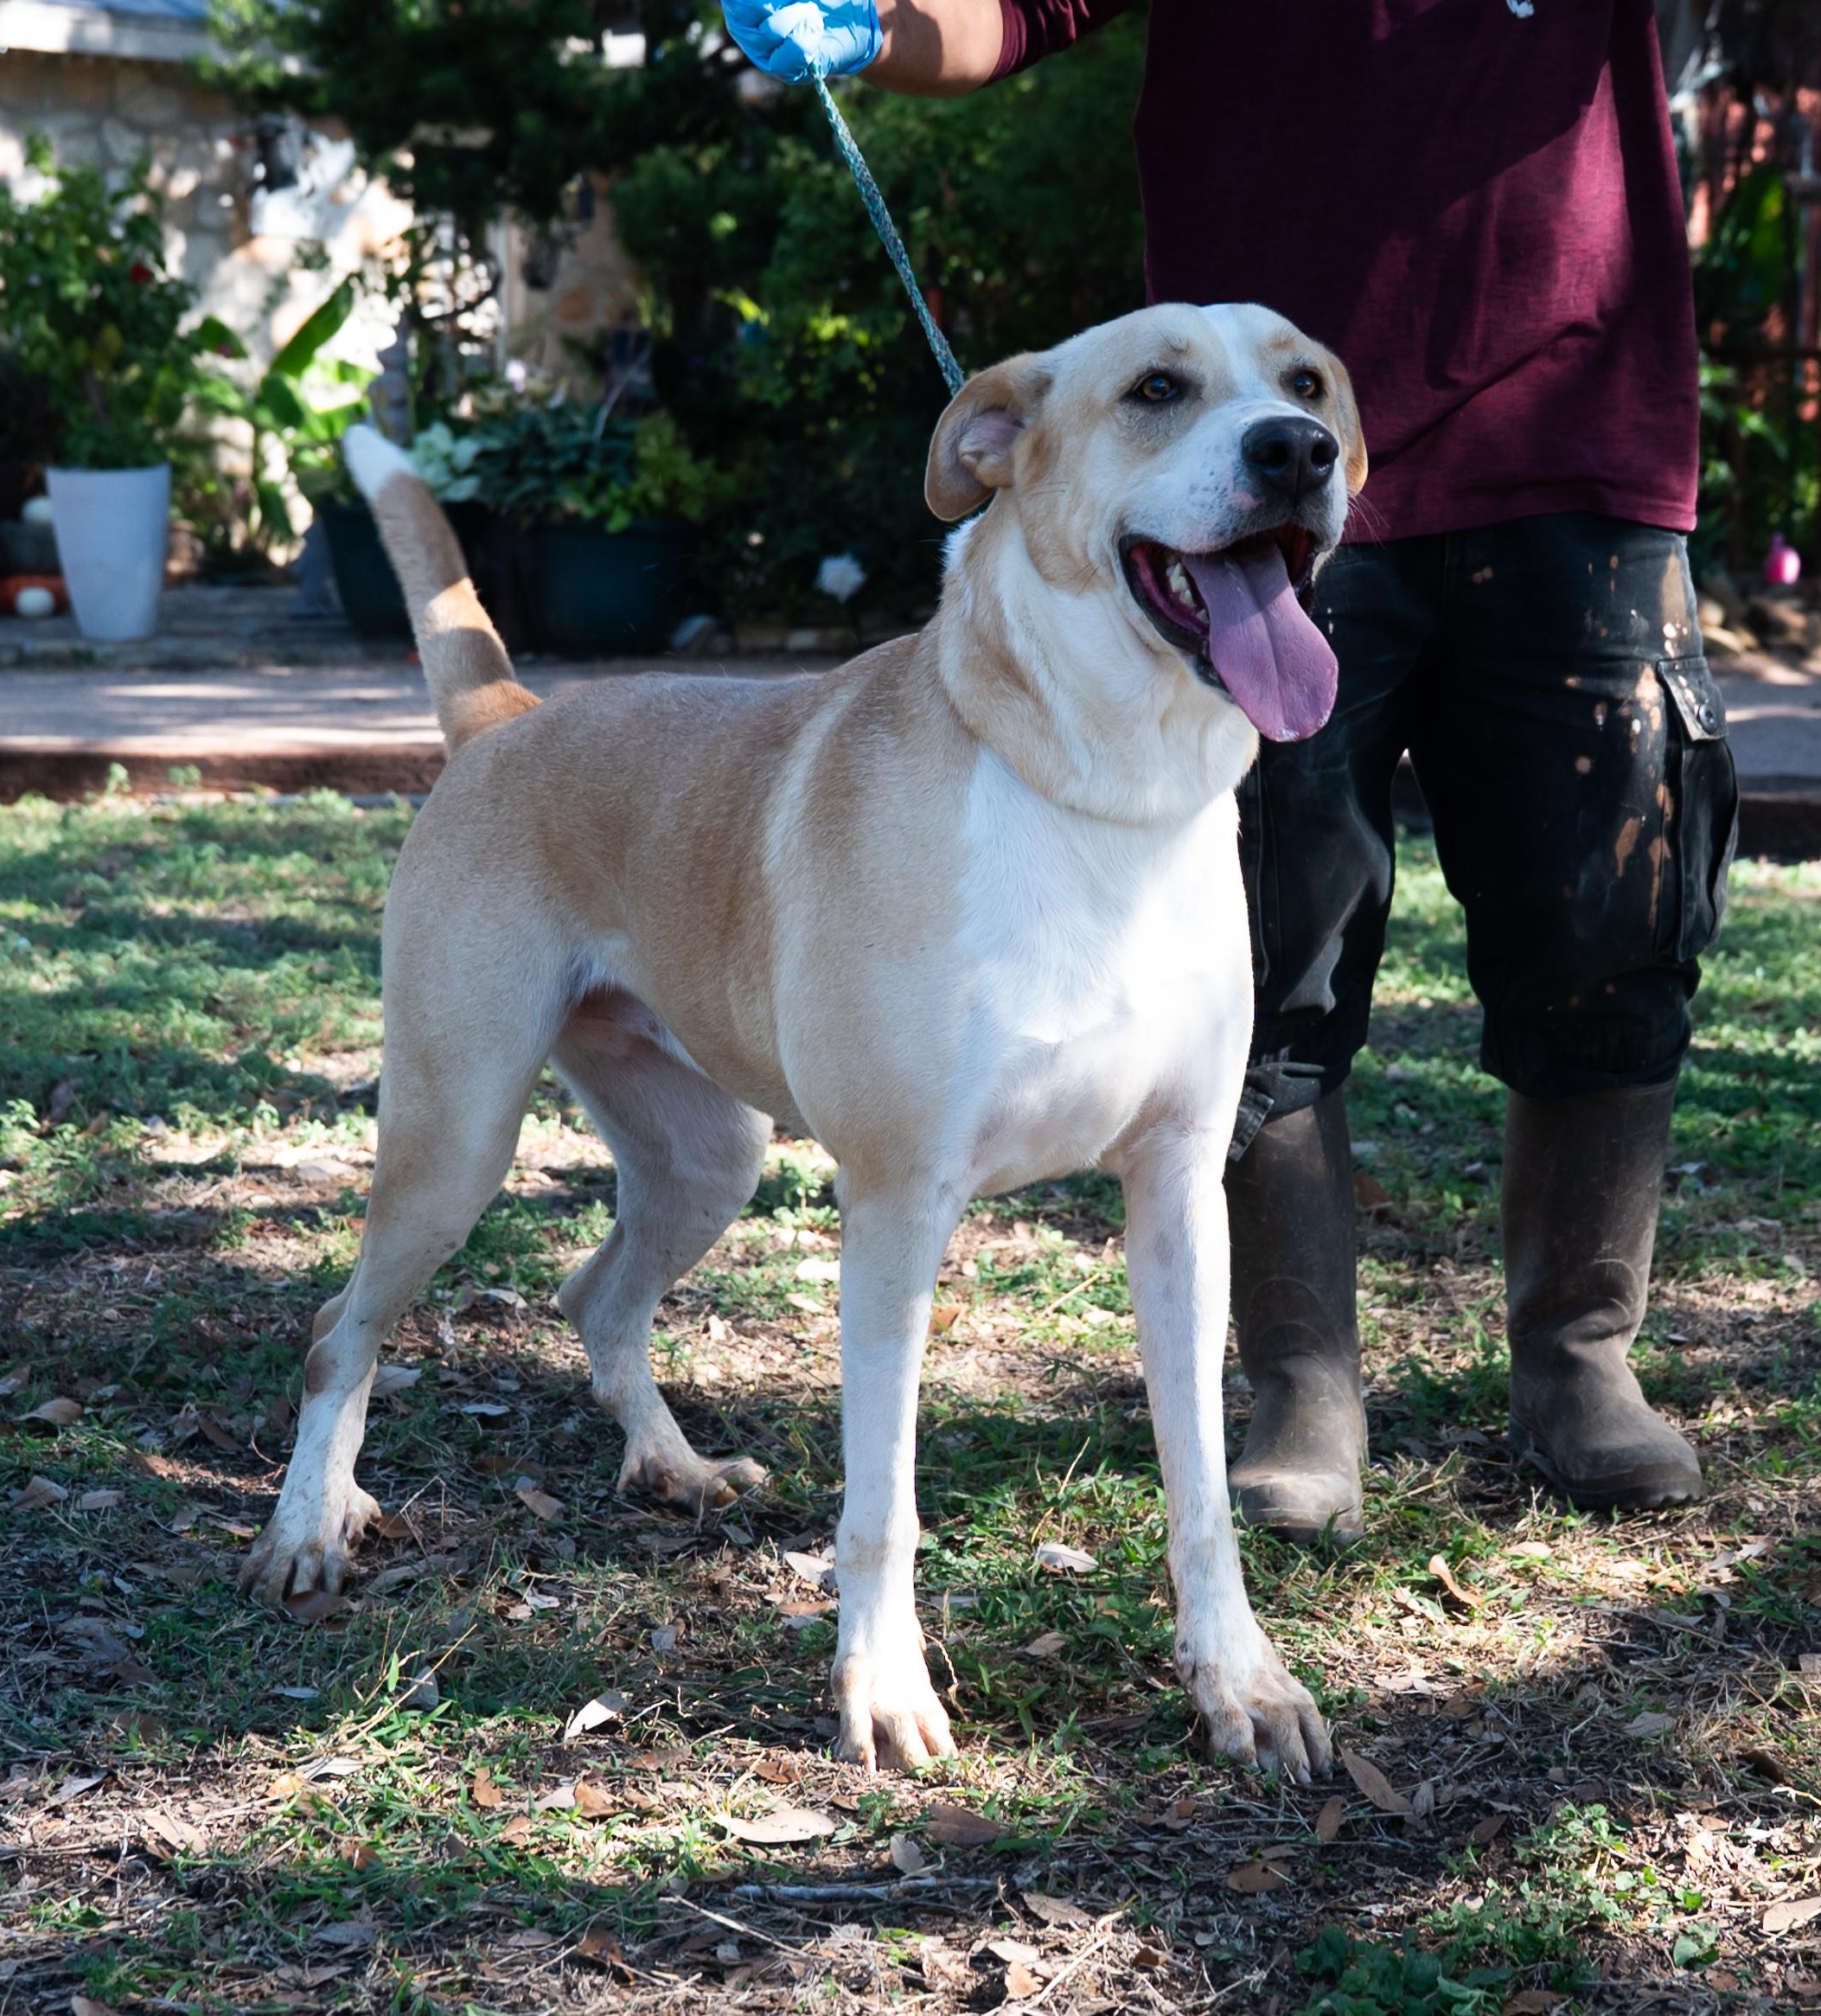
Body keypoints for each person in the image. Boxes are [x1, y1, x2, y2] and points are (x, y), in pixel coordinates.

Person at [725, 0, 1739, 1539]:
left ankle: (1580, 1361)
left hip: (1577, 435)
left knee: (1611, 923)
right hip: (1233, 467)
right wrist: (862, 27)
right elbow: (1010, 13)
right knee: (1277, 951)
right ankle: (1303, 1383)